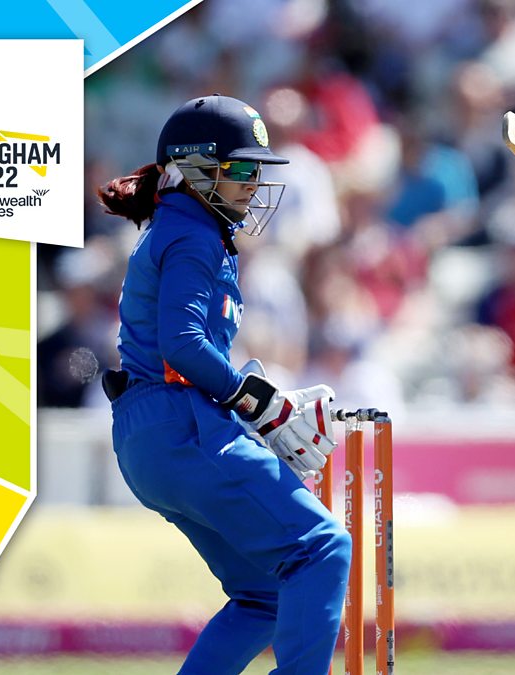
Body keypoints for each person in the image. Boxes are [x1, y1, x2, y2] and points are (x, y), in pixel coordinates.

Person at [96, 94, 351, 675]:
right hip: (180, 428)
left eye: (256, 170)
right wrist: (264, 406)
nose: (253, 184)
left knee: (265, 593)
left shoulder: (180, 227)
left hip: (152, 437)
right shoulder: (192, 233)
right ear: (191, 169)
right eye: (239, 168)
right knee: (322, 548)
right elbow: (183, 346)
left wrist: (257, 404)